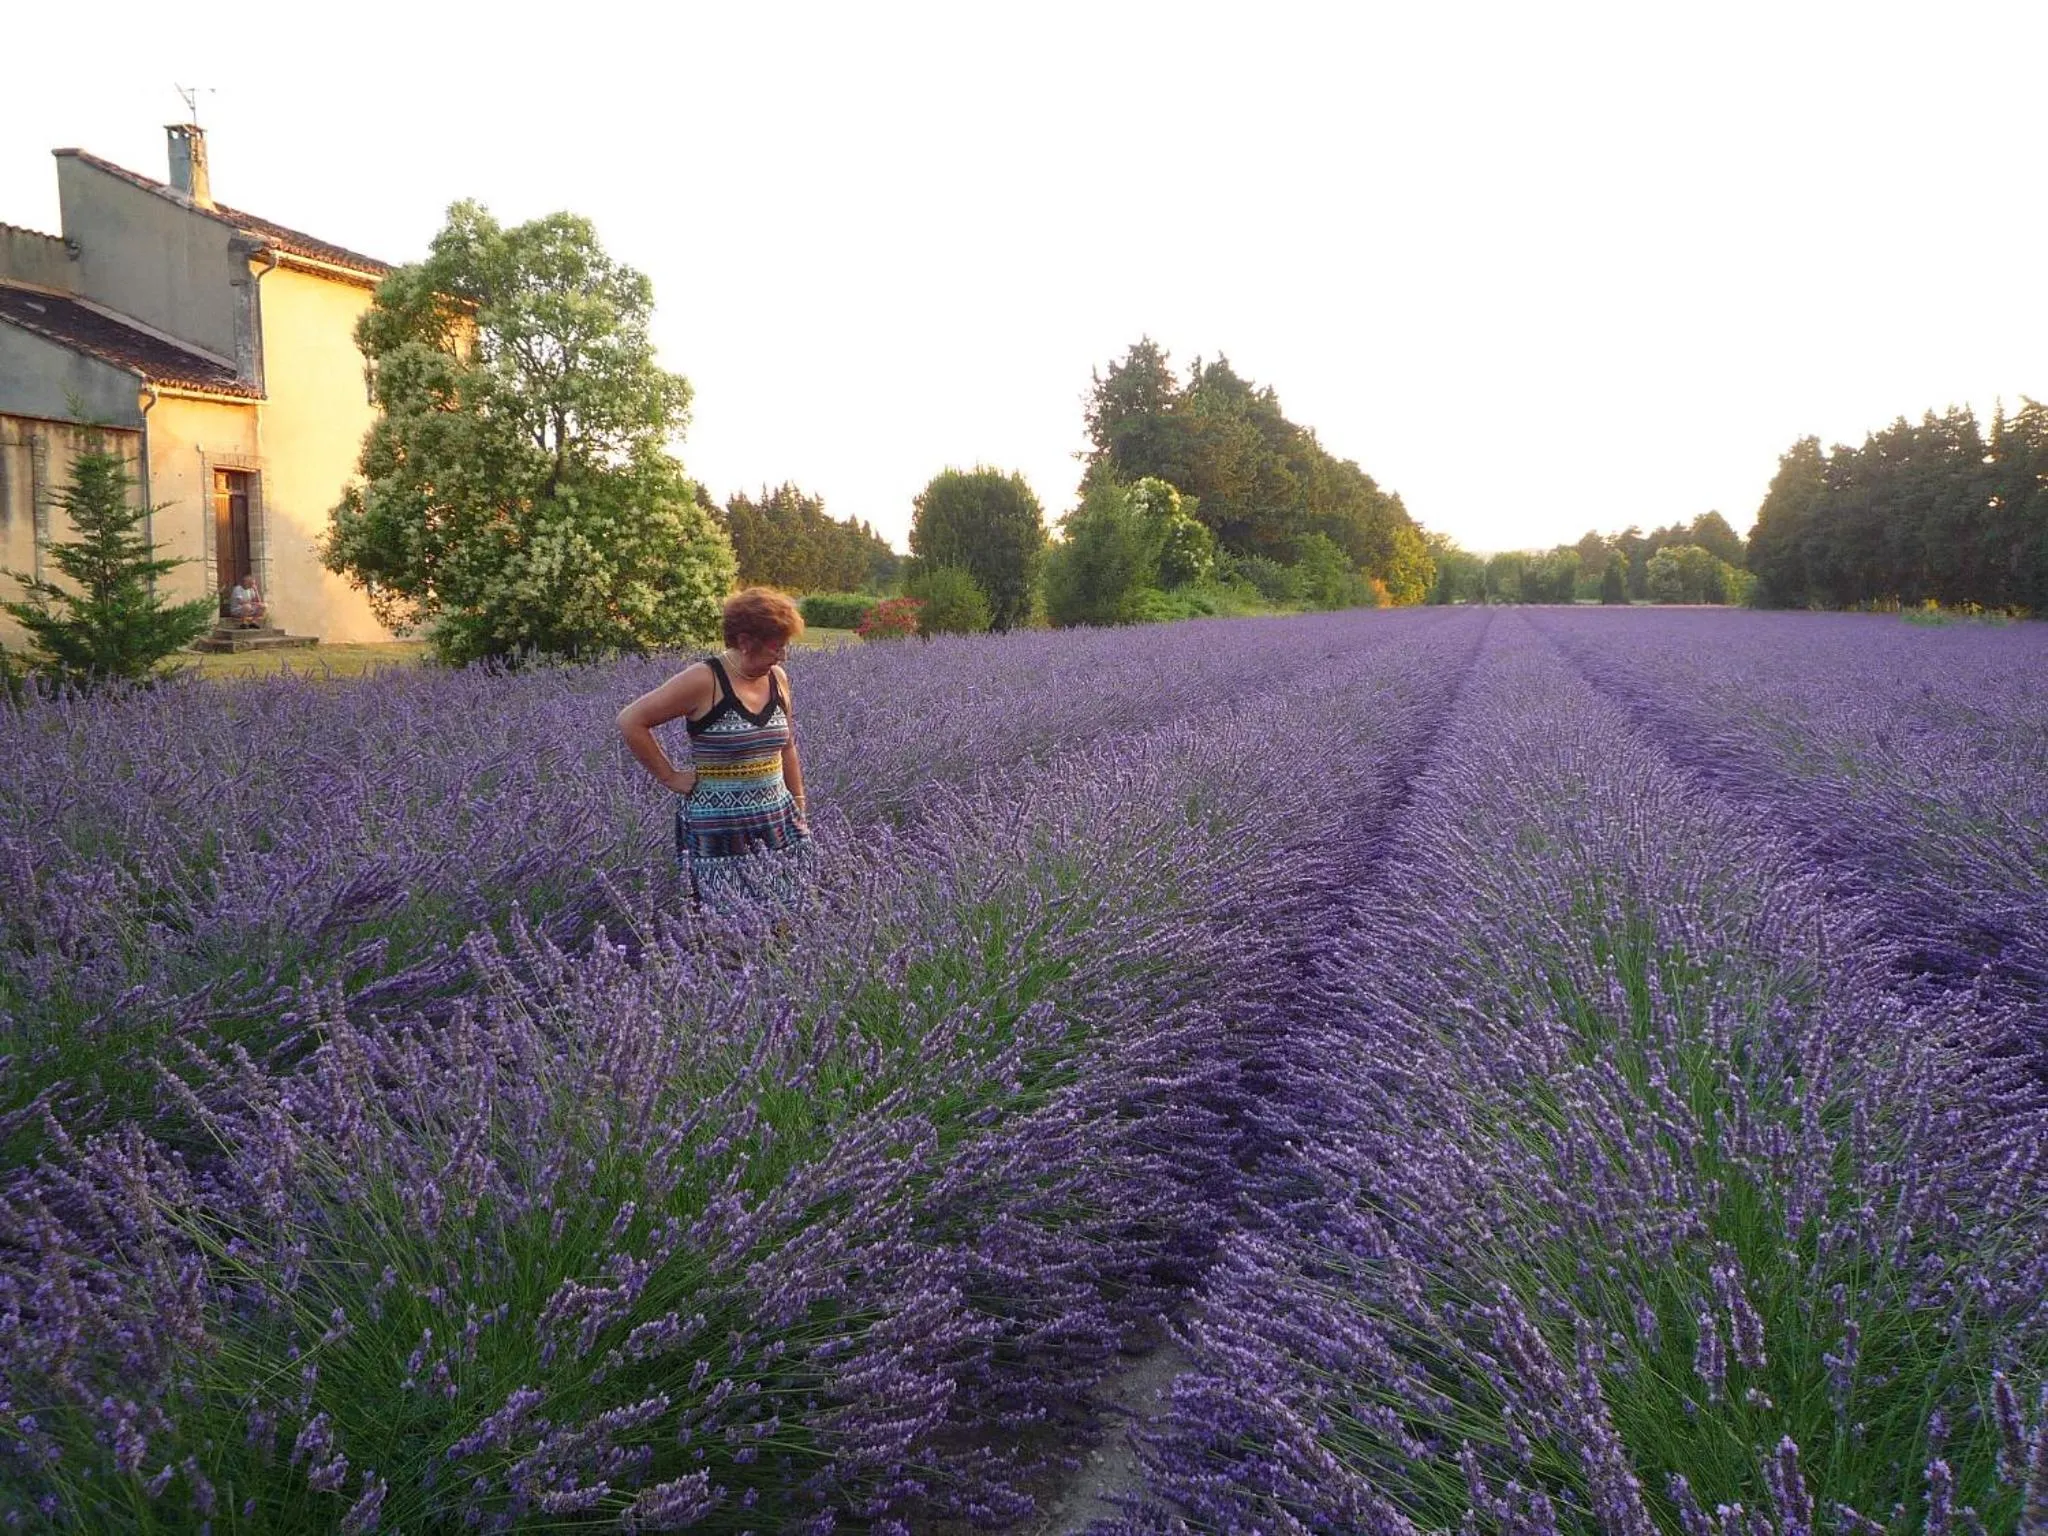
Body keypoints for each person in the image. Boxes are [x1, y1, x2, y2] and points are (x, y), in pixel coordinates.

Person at [617, 588, 813, 915]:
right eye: (776, 646)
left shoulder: (777, 679)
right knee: (726, 926)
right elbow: (631, 720)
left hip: (777, 821)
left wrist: (799, 804)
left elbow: (787, 745)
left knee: (786, 918)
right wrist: (669, 776)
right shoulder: (705, 679)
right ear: (745, 641)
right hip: (719, 831)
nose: (783, 656)